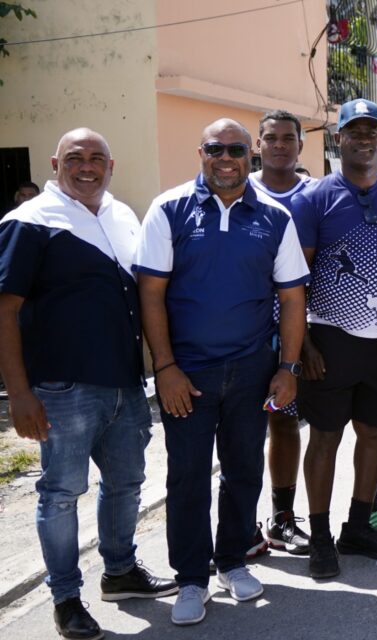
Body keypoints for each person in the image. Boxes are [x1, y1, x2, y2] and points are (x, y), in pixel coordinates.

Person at [0, 129, 176, 640]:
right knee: (61, 493)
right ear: (55, 164)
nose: (86, 166)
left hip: (126, 383)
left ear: (110, 166)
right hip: (63, 389)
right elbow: (5, 311)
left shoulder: (122, 216)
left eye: (97, 158)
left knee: (126, 483)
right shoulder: (29, 221)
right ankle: (65, 598)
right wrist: (20, 394)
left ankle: (119, 571)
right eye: (74, 157)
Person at [135, 118, 309, 626]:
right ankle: (192, 577)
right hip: (187, 374)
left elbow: (292, 298)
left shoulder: (274, 216)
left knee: (243, 470)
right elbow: (150, 294)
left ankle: (232, 561)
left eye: (236, 149)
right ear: (201, 153)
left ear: (250, 155)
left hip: (252, 369)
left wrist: (288, 367)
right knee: (188, 476)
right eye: (216, 148)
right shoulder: (168, 209)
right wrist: (164, 367)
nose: (226, 158)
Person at [291, 99, 377, 580]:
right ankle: (320, 536)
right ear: (338, 138)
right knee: (325, 436)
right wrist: (302, 343)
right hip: (329, 339)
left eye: (371, 131)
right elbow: (294, 279)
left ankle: (358, 527)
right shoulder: (314, 198)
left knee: (374, 432)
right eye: (354, 131)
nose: (364, 139)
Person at [247, 109, 314, 557]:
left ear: (300, 145)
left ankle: (282, 518)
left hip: (298, 329)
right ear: (259, 144)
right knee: (242, 430)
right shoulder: (239, 189)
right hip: (245, 330)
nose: (279, 145)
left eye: (287, 138)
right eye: (270, 138)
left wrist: (305, 338)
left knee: (285, 420)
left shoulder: (314, 194)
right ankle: (239, 523)